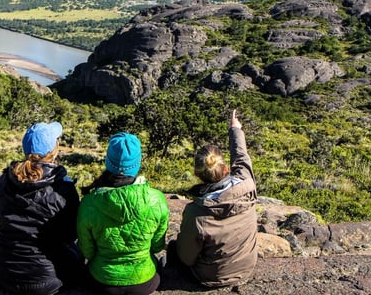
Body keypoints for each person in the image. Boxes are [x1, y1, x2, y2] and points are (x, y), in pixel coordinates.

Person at [0, 121, 82, 295]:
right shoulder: (61, 189)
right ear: (54, 150)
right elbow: (72, 233)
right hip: (47, 280)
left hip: (3, 273)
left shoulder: (4, 181)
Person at [77, 132, 169, 295]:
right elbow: (157, 246)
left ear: (108, 162)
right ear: (137, 163)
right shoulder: (157, 199)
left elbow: (87, 252)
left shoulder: (89, 202)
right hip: (144, 281)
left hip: (102, 281)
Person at [174, 109, 258, 288]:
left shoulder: (197, 213)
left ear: (197, 174)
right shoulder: (247, 185)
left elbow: (186, 258)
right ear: (226, 169)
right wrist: (235, 130)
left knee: (174, 250)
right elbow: (242, 158)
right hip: (247, 268)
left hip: (209, 276)